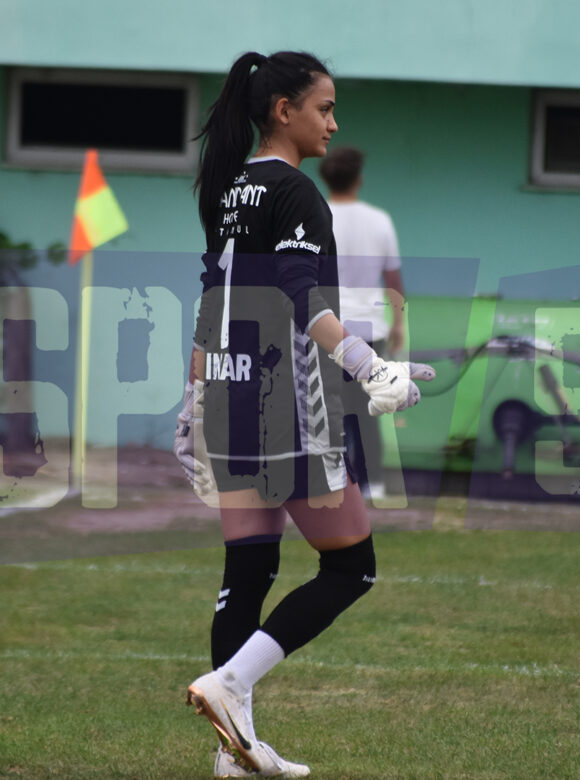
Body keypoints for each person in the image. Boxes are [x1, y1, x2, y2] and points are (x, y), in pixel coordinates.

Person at [172, 51, 435, 778]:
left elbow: (212, 297)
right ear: (283, 111)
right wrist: (368, 365)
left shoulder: (230, 190)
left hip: (229, 392)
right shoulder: (296, 192)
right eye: (325, 107)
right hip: (282, 400)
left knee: (250, 567)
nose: (334, 123)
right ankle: (230, 684)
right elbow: (299, 292)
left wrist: (195, 396)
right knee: (351, 566)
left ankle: (234, 752)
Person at [319, 146, 404, 500]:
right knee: (368, 410)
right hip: (370, 330)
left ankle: (333, 481)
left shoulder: (317, 216)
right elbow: (393, 279)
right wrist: (398, 323)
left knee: (328, 409)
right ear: (359, 179)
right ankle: (374, 485)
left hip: (328, 329)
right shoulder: (380, 220)